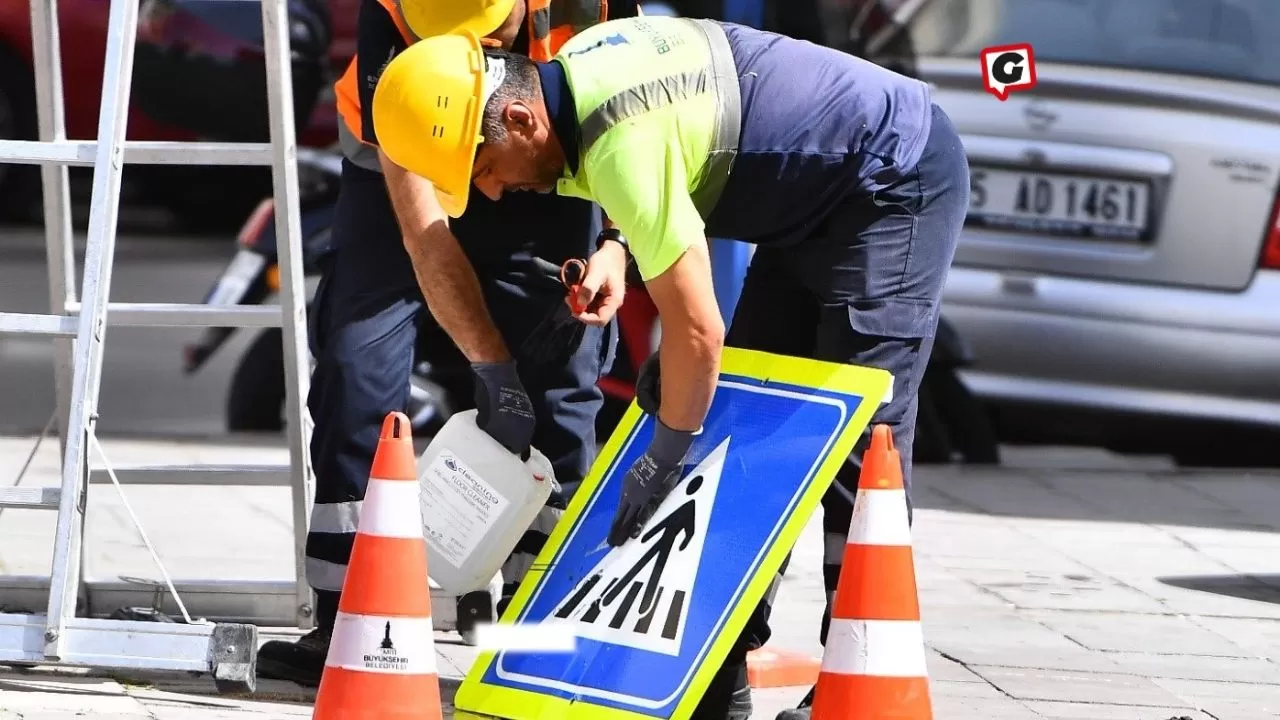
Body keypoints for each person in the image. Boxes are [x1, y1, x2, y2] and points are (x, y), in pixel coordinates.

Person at [370, 14, 969, 719]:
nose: (495, 192)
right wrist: (621, 250)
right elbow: (668, 148)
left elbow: (698, 330)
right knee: (741, 423)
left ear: (524, 117)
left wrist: (661, 459)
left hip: (894, 177)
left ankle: (857, 681)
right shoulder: (581, 63)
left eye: (485, 168)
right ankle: (721, 668)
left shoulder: (619, 148)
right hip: (812, 201)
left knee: (863, 441)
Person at [254, 0, 642, 687]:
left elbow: (630, 121)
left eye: (490, 42)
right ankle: (348, 622)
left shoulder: (593, 8)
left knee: (564, 380)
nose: (478, 58)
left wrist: (616, 242)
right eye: (453, 46)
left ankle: (535, 635)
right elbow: (424, 233)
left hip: (544, 154)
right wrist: (491, 366)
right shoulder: (392, 18)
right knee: (357, 369)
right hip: (405, 170)